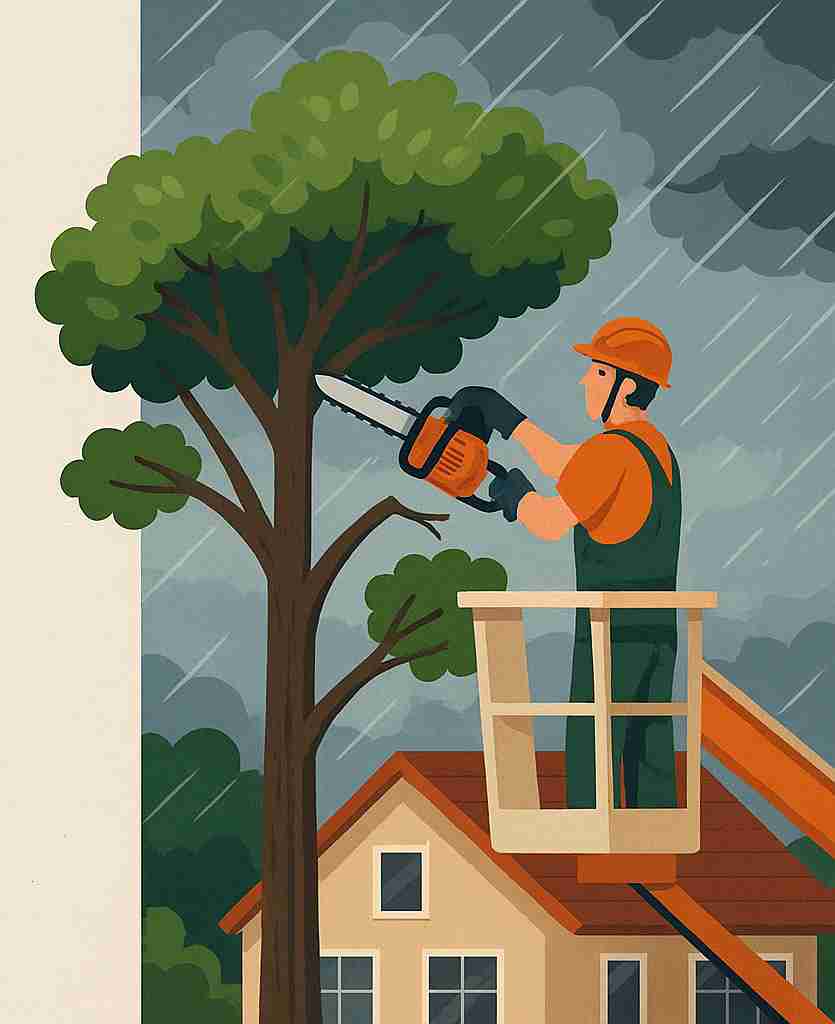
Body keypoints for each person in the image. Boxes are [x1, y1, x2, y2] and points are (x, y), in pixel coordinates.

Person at [446, 316, 681, 810]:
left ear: (626, 385)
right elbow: (569, 466)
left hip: (609, 631)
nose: (583, 381)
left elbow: (552, 521)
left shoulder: (612, 453)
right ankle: (653, 855)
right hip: (657, 629)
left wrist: (515, 495)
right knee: (647, 745)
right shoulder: (654, 449)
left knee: (594, 748)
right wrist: (504, 417)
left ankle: (598, 863)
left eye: (597, 372)